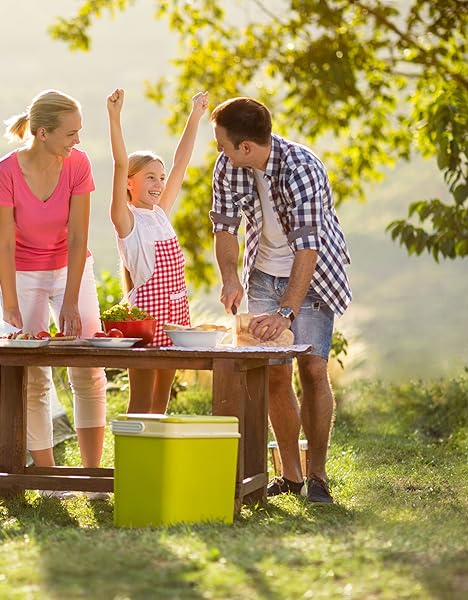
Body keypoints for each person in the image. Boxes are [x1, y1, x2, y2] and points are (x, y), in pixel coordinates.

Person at [209, 97, 352, 504]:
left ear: (247, 148)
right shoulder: (228, 167)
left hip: (312, 275)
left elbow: (309, 249)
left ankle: (318, 475)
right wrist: (231, 277)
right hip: (262, 274)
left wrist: (286, 311)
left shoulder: (302, 168)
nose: (220, 152)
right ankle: (290, 475)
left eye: (223, 145)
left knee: (312, 368)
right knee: (273, 373)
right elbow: (224, 227)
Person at [0, 89, 107, 473]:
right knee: (34, 374)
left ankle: (91, 474)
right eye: (70, 133)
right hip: (24, 273)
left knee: (89, 367)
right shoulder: (6, 171)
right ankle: (48, 474)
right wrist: (9, 303)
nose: (77, 141)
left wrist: (70, 300)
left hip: (71, 269)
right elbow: (3, 244)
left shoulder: (78, 164)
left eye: (79, 132)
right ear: (42, 133)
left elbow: (78, 237)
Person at [106, 87, 209, 414]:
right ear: (129, 183)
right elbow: (119, 162)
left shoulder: (160, 214)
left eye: (160, 178)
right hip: (146, 320)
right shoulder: (126, 220)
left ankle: (156, 455)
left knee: (162, 397)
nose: (159, 184)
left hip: (175, 316)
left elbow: (181, 163)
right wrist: (114, 118)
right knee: (141, 397)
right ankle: (135, 457)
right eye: (150, 177)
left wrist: (195, 115)